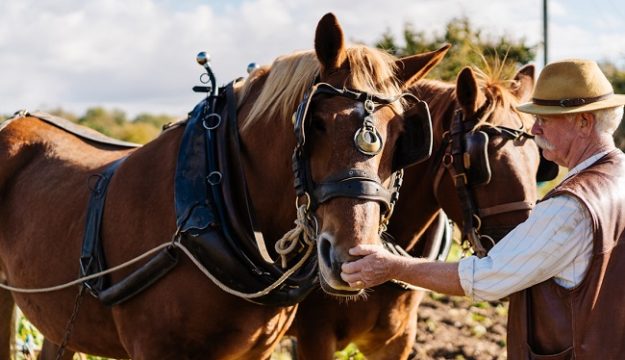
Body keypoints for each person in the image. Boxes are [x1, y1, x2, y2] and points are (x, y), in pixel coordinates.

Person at [340, 59, 625, 359]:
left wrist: (392, 266)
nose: (536, 128)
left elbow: (486, 278)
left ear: (584, 122)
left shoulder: (570, 208)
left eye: (547, 118)